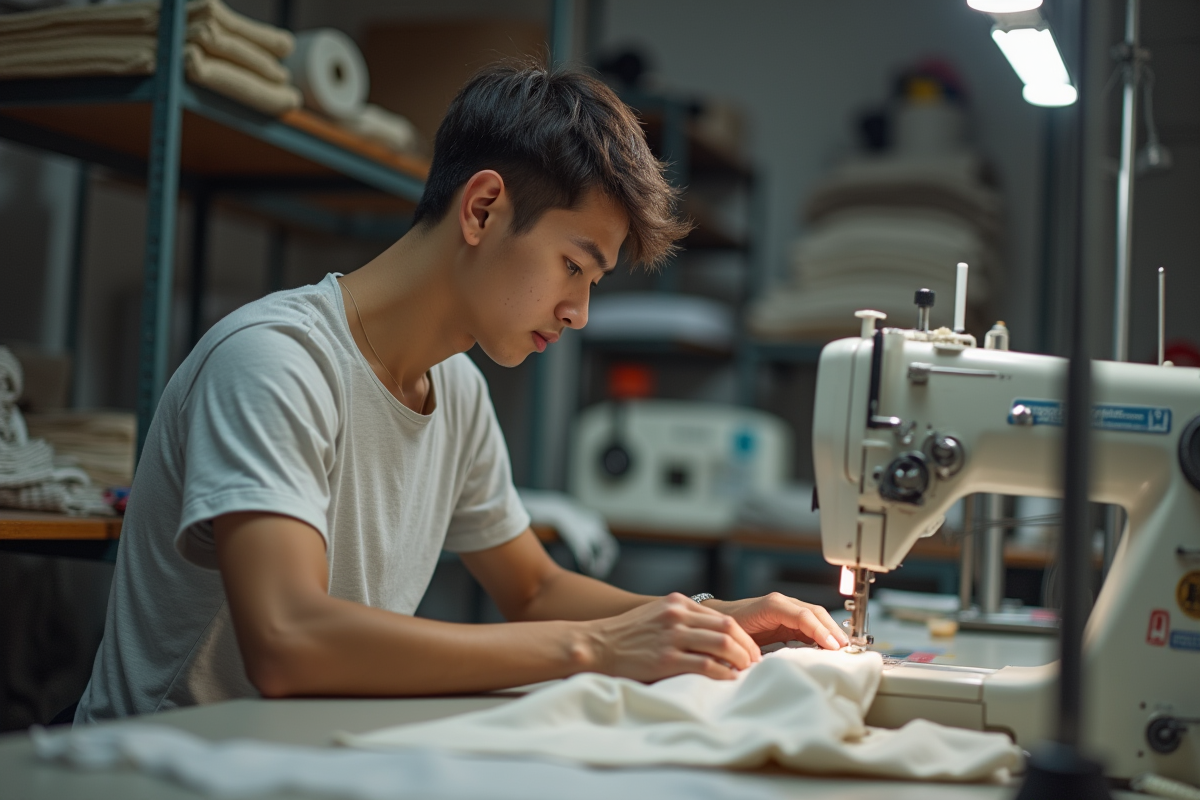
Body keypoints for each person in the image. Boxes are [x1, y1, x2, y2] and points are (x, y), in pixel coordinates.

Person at [75, 63, 847, 723]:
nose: (579, 313)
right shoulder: (276, 363)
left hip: (303, 751)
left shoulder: (458, 391)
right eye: (573, 267)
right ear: (482, 209)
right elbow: (287, 642)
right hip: (162, 763)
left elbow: (534, 588)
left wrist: (713, 617)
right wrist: (594, 648)